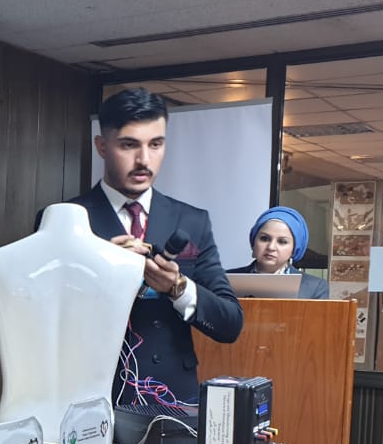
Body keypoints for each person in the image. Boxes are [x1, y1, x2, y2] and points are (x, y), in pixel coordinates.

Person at [67, 87, 243, 408]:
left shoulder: (192, 221)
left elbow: (230, 323)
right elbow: (45, 321)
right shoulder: (66, 220)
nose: (144, 160)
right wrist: (102, 273)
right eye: (129, 145)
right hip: (90, 401)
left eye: (156, 144)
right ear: (102, 146)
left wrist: (178, 288)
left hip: (173, 399)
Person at [227, 206, 329, 299]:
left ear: (294, 250)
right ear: (253, 242)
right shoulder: (225, 279)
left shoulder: (315, 287)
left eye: (282, 241)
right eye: (264, 238)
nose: (271, 247)